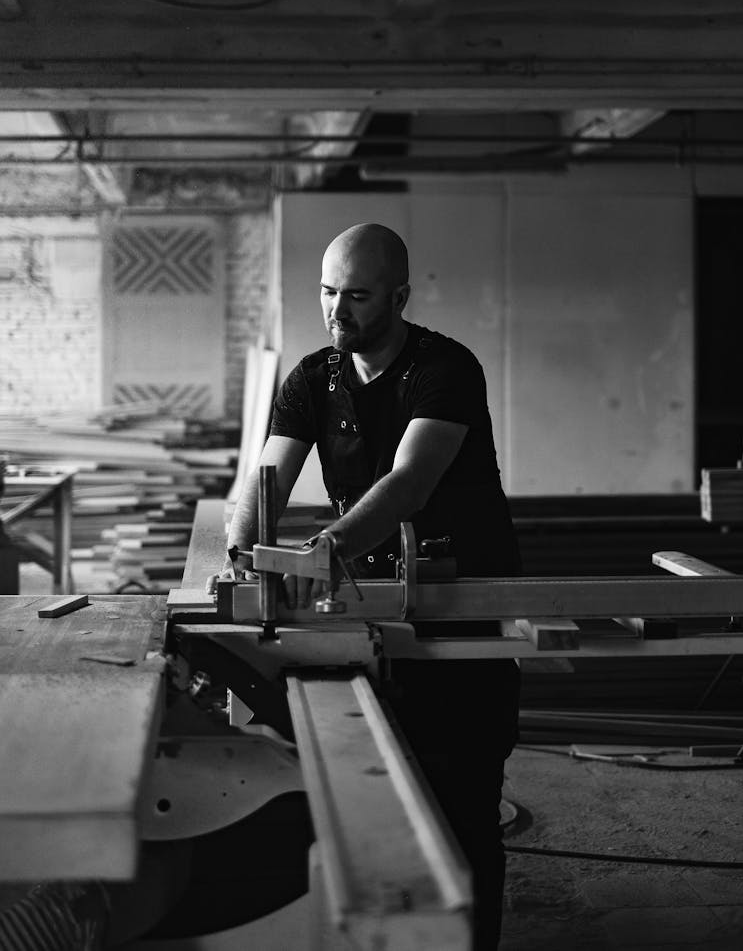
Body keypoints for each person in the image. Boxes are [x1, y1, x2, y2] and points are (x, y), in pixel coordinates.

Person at [223, 223, 521, 950]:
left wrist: (328, 545)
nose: (337, 310)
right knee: (371, 785)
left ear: (400, 295)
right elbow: (268, 476)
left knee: (462, 796)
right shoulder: (313, 378)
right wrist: (240, 543)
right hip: (368, 601)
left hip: (461, 599)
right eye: (327, 292)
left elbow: (408, 483)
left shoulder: (445, 369)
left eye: (357, 295)